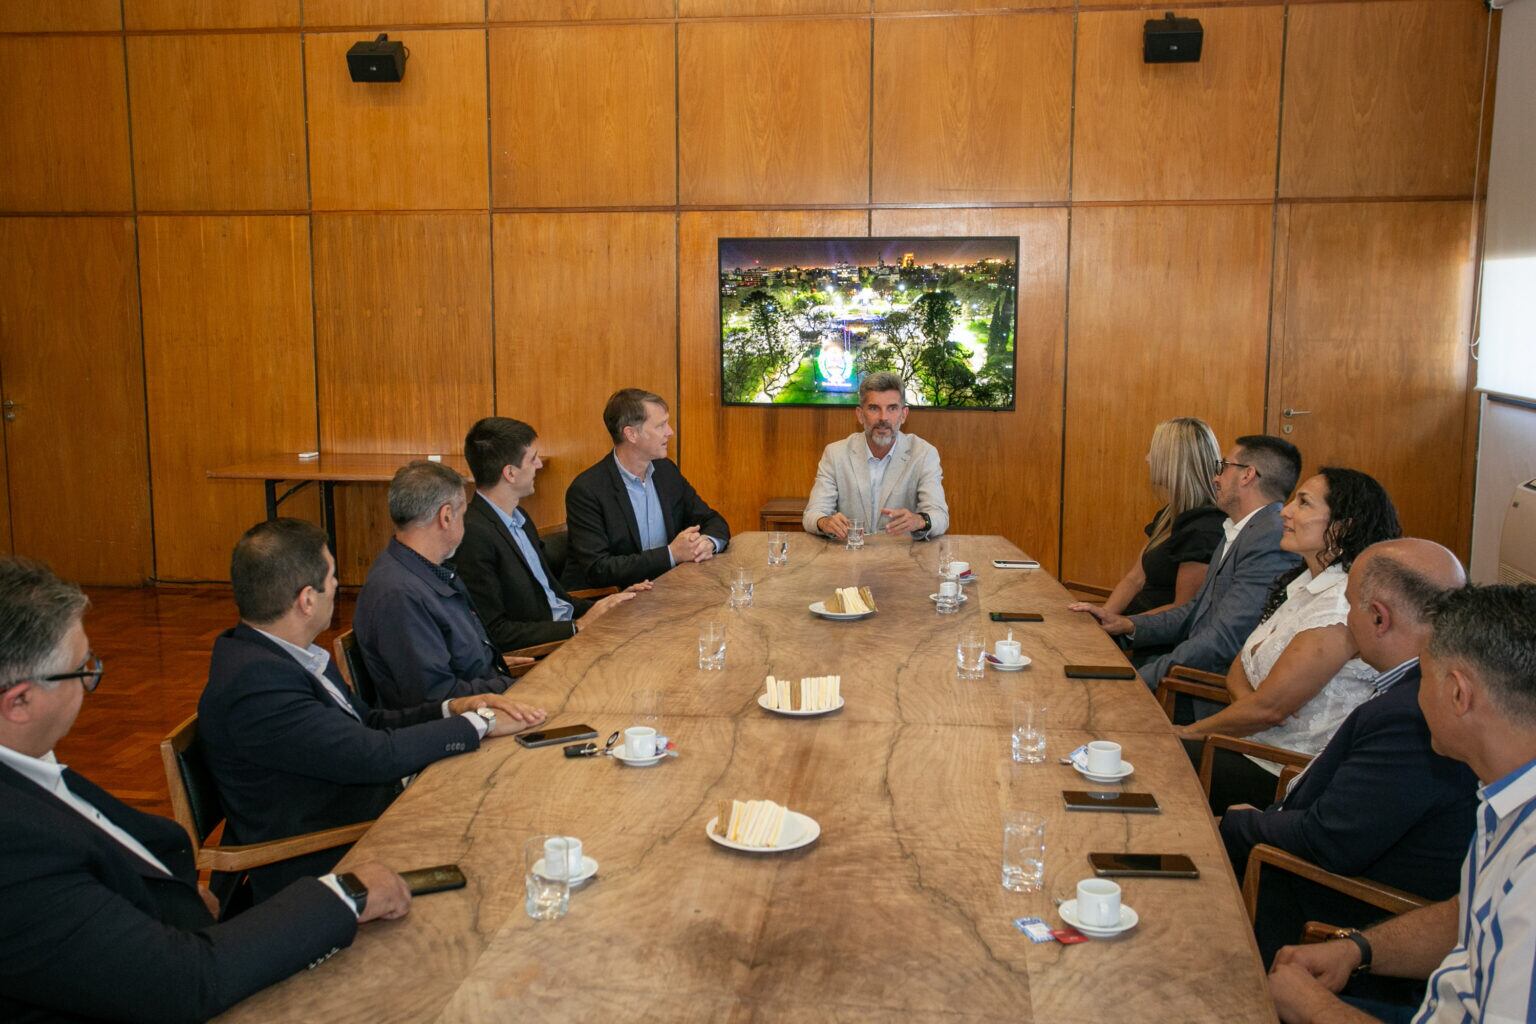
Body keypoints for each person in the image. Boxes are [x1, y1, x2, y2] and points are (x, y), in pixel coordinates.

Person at [0, 556, 412, 1023]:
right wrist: (344, 895)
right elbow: (180, 983)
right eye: (83, 671)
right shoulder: (14, 844)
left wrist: (178, 891)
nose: (92, 682)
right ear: (20, 702)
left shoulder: (27, 766)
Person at [199, 519, 545, 905]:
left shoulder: (286, 653)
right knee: (511, 834)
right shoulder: (257, 685)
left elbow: (367, 724)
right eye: (331, 578)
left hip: (365, 811)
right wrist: (477, 725)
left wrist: (455, 708)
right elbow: (373, 755)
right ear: (306, 600)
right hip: (329, 856)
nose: (336, 587)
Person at [1267, 584, 1536, 1024]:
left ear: (1457, 693)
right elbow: (1467, 915)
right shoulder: (1505, 800)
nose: (1414, 695)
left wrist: (1314, 1009)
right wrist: (1358, 949)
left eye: (1422, 679)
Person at [1219, 539, 1476, 970]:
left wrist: (1240, 823)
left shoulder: (1414, 713)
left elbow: (1330, 841)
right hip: (1315, 867)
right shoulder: (1414, 688)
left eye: (1349, 607)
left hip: (1325, 914)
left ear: (1378, 616)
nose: (1346, 620)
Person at [1175, 468, 1403, 812]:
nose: (1286, 510)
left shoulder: (1341, 604)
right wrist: (1254, 705)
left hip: (1282, 772)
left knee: (1154, 755)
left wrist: (1188, 732)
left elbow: (1269, 709)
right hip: (1250, 743)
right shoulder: (1303, 586)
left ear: (1342, 526)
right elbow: (1243, 664)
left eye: (1304, 503)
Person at [1074, 434, 1304, 688]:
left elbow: (1221, 641)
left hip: (1203, 689)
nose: (1216, 478)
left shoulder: (1268, 537)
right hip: (1185, 670)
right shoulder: (1241, 529)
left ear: (1247, 475)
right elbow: (1195, 611)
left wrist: (1143, 678)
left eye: (1223, 467)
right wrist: (1128, 624)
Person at [457, 416, 649, 652]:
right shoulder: (473, 536)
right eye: (533, 459)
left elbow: (555, 599)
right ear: (510, 473)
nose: (539, 465)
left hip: (567, 634)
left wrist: (608, 605)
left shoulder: (520, 518)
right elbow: (497, 632)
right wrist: (577, 627)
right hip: (544, 652)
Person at [353, 460, 529, 707]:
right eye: (463, 515)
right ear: (446, 516)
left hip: (486, 699)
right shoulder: (399, 594)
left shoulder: (428, 571)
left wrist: (500, 665)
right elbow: (437, 696)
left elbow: (459, 660)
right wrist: (516, 686)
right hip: (464, 724)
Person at [564, 388, 730, 590]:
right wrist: (671, 554)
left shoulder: (666, 471)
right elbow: (599, 568)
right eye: (661, 425)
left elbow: (711, 519)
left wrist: (708, 542)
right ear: (631, 434)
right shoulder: (587, 490)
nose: (670, 432)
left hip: (668, 592)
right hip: (614, 602)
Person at [1073, 417, 1225, 622]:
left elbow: (1182, 610)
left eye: (1153, 452)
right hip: (1132, 623)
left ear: (1175, 461)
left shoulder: (1204, 530)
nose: (1147, 458)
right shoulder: (1168, 514)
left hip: (1153, 637)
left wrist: (1123, 626)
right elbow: (1134, 579)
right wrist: (1102, 618)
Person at [802, 371, 949, 541]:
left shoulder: (924, 454)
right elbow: (812, 514)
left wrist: (920, 520)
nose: (883, 418)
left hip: (902, 560)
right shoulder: (836, 454)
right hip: (849, 558)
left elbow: (940, 516)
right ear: (860, 414)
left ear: (903, 414)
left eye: (892, 408)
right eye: (874, 408)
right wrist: (825, 522)